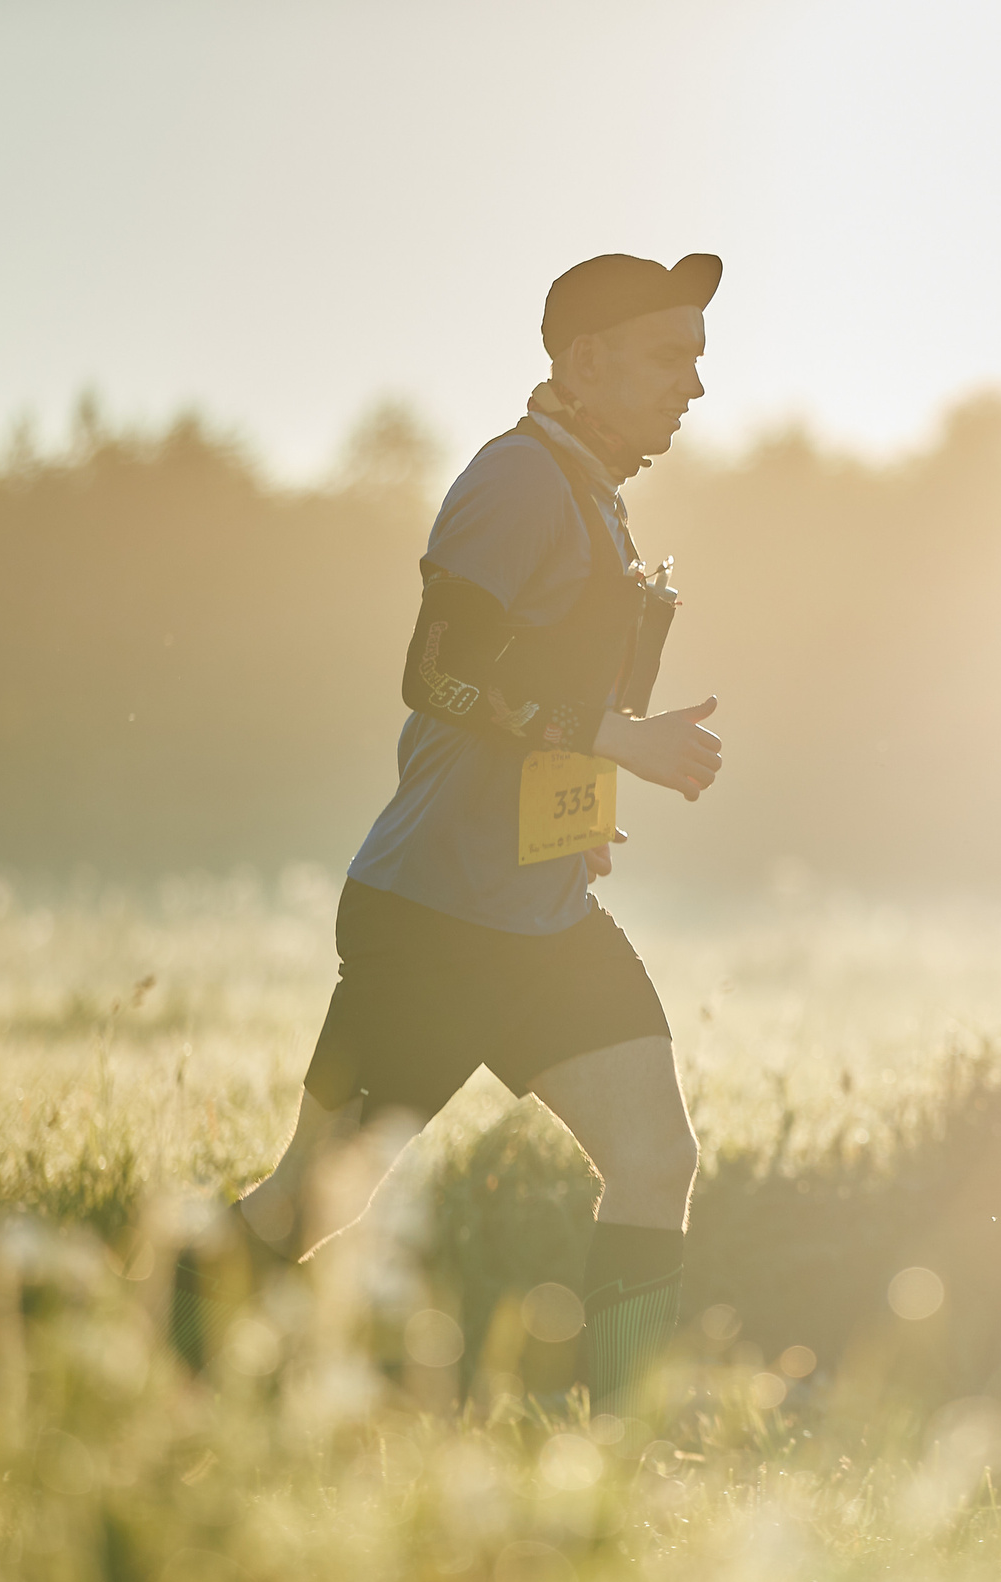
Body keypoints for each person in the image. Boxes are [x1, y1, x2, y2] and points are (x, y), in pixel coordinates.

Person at [182, 253, 727, 1410]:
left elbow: (538, 705)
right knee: (308, 1209)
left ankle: (616, 1448)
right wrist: (617, 738)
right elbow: (437, 671)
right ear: (585, 361)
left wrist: (590, 793)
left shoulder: (593, 497)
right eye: (671, 356)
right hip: (431, 920)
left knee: (655, 1160)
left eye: (699, 358)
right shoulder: (517, 481)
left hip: (539, 918)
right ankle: (110, 1358)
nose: (694, 385)